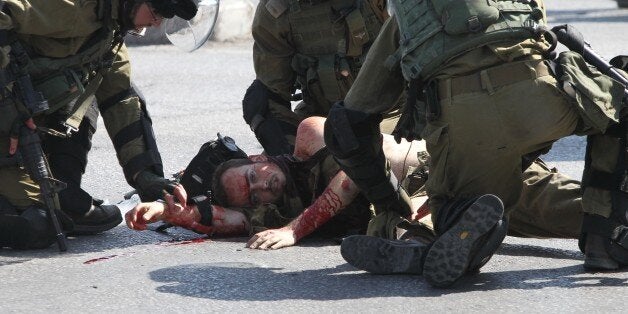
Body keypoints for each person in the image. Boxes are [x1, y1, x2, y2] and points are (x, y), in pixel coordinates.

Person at [322, 0, 628, 287]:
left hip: (466, 128)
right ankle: (605, 237)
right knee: (621, 101)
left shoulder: (407, 13)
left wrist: (391, 203)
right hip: (542, 105)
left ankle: (457, 228)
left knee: (457, 211)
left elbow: (348, 126)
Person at [126, 117, 583, 254]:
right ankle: (453, 237)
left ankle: (457, 234)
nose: (263, 188)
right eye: (256, 197)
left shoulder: (309, 137)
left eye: (253, 177)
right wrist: (171, 214)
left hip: (447, 171)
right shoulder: (278, 204)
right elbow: (226, 220)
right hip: (424, 207)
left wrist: (295, 230)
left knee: (580, 214)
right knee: (391, 231)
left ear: (257, 158)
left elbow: (354, 176)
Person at [0, 0, 197, 250]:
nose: (157, 22)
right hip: (8, 125)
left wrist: (146, 176)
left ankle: (63, 192)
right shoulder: (74, 6)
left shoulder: (109, 30)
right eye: (156, 11)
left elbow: (121, 101)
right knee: (37, 225)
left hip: (22, 129)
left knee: (87, 86)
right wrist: (6, 107)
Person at [242, 0, 402, 156]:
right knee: (260, 105)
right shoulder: (276, 11)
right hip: (323, 117)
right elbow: (272, 95)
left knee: (360, 163)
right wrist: (290, 154)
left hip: (392, 113)